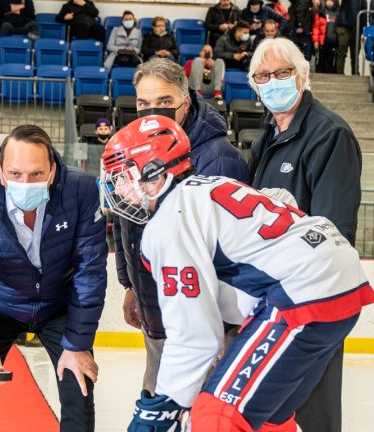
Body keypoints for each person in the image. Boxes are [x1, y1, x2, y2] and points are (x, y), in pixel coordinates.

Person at [102, 115, 374, 432]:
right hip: (341, 284)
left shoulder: (169, 222)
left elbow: (194, 336)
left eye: (122, 175)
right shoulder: (213, 185)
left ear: (153, 174)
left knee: (215, 415)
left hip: (305, 291)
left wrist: (163, 405)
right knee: (268, 419)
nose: (116, 187)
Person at [0, 124, 107, 432]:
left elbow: (91, 270)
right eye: (16, 174)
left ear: (52, 171)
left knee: (79, 390)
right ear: (2, 173)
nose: (26, 181)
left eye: (36, 174)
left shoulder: (81, 190)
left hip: (58, 306)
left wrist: (78, 344)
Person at [247, 37, 363, 432]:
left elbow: (333, 231)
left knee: (313, 409)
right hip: (274, 297)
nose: (273, 82)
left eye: (283, 73)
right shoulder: (268, 134)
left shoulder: (329, 134)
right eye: (264, 75)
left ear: (303, 76)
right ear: (253, 84)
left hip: (314, 299)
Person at [115, 57, 248, 395]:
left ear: (185, 101)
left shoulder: (219, 157)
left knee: (198, 411)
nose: (152, 111)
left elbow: (228, 251)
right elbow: (126, 219)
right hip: (157, 308)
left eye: (164, 102)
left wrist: (219, 328)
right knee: (158, 401)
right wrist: (130, 285)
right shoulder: (135, 148)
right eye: (143, 104)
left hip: (199, 321)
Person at [335, 0, 367, 75]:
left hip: (356, 28)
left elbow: (364, 12)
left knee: (355, 55)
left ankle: (355, 74)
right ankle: (339, 75)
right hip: (344, 26)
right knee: (342, 53)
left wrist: (362, 29)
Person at [312, 0, 339, 73]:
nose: (329, 2)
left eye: (331, 0)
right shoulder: (320, 13)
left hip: (333, 41)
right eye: (328, 0)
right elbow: (316, 28)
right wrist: (315, 41)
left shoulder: (338, 13)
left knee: (331, 60)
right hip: (322, 41)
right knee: (321, 60)